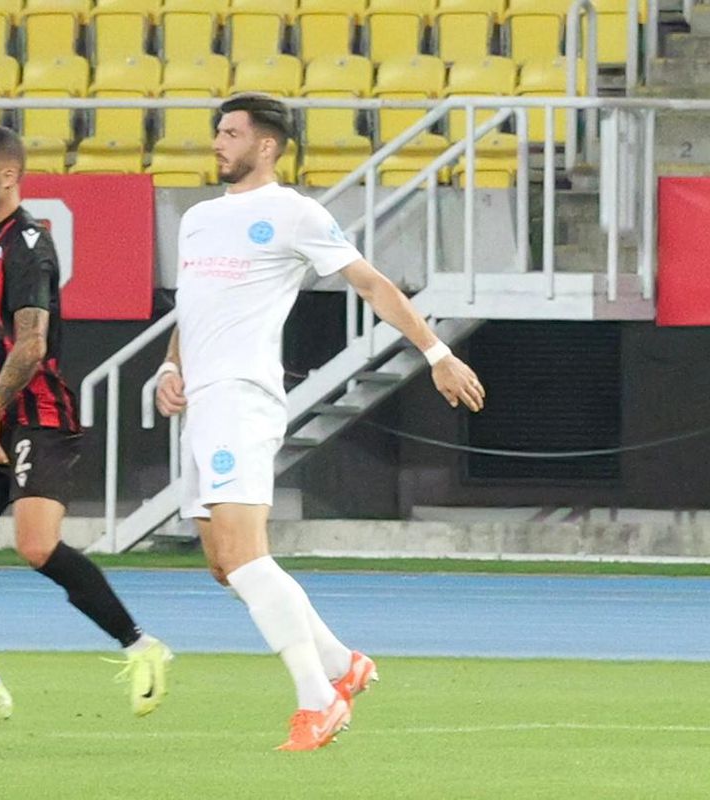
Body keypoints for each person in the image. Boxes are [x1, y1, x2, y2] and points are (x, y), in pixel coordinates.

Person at [154, 94, 486, 752]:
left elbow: (371, 284)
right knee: (224, 564)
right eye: (217, 132)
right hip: (203, 400)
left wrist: (437, 353)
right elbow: (194, 309)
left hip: (243, 396)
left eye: (231, 133)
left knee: (247, 558)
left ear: (268, 146)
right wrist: (170, 368)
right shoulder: (196, 221)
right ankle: (342, 664)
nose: (217, 143)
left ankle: (318, 699)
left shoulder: (293, 214)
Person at [0, 126, 172, 745]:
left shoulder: (30, 245)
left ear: (7, 176)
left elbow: (30, 344)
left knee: (36, 547)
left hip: (38, 417)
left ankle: (143, 647)